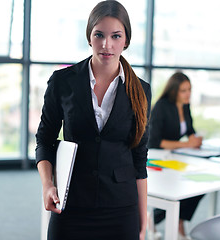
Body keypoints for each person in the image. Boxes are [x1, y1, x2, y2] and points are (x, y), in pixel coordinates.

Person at [35, 1, 151, 240]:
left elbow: (139, 158)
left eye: (115, 36)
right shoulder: (62, 81)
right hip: (72, 203)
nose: (106, 44)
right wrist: (48, 185)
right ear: (89, 36)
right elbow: (44, 140)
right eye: (99, 35)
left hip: (121, 208)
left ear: (126, 41)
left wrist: (143, 220)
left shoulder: (140, 90)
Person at [148, 72, 203, 239]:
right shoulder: (162, 106)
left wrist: (195, 139)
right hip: (158, 156)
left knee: (197, 187)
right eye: (183, 91)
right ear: (174, 91)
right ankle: (171, 223)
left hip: (176, 156)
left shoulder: (185, 106)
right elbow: (155, 142)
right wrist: (187, 144)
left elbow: (190, 130)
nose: (188, 94)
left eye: (189, 90)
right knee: (178, 190)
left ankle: (174, 221)